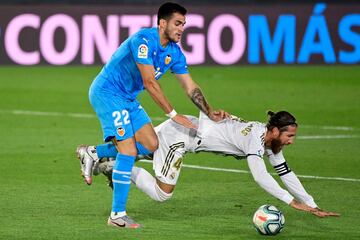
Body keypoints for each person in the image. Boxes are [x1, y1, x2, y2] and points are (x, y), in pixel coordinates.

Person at [77, 2, 228, 229]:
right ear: (162, 23)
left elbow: (189, 85)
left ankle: (94, 152)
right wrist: (173, 114)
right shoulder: (143, 41)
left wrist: (208, 111)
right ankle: (117, 215)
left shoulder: (174, 53)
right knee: (127, 150)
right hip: (108, 92)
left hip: (127, 98)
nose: (181, 29)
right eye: (177, 23)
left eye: (184, 25)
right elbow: (149, 82)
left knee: (150, 144)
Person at [85, 111, 340, 218]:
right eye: (289, 136)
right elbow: (261, 177)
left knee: (140, 149)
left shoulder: (270, 142)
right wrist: (292, 202)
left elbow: (285, 173)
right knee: (162, 194)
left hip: (187, 130)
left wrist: (311, 203)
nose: (291, 141)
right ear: (274, 131)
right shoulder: (254, 139)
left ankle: (98, 154)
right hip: (180, 138)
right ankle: (112, 167)